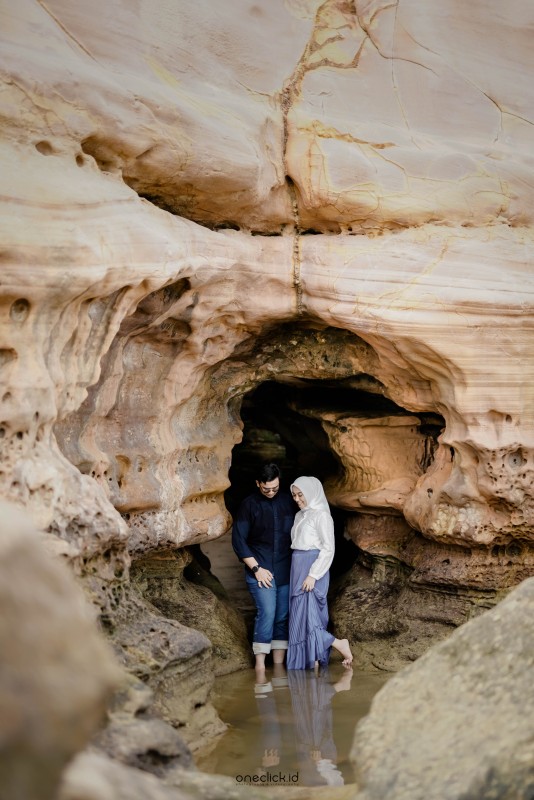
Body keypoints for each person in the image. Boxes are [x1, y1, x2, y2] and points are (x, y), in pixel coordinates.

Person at [232, 463, 296, 673]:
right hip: (260, 567)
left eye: (275, 488)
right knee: (267, 612)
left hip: (285, 567)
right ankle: (259, 666)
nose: (270, 492)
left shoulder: (288, 501)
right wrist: (257, 569)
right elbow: (238, 540)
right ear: (258, 483)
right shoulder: (248, 505)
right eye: (266, 489)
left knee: (282, 617)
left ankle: (278, 667)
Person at [287, 476, 352, 670]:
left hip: (313, 568)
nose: (297, 499)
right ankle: (312, 660)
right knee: (299, 614)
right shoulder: (300, 516)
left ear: (311, 492)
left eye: (300, 495)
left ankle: (339, 643)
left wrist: (313, 575)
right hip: (297, 566)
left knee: (311, 616)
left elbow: (328, 548)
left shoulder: (322, 515)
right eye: (294, 495)